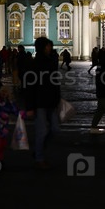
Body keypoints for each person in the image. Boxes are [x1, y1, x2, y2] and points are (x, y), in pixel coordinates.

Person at [24, 36, 61, 170]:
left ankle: (39, 149)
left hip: (51, 102)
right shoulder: (34, 64)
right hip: (39, 102)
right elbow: (29, 87)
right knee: (42, 131)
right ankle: (39, 158)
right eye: (48, 46)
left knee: (55, 129)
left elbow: (55, 82)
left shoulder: (51, 62)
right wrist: (29, 107)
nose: (50, 48)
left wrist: (57, 98)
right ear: (43, 48)